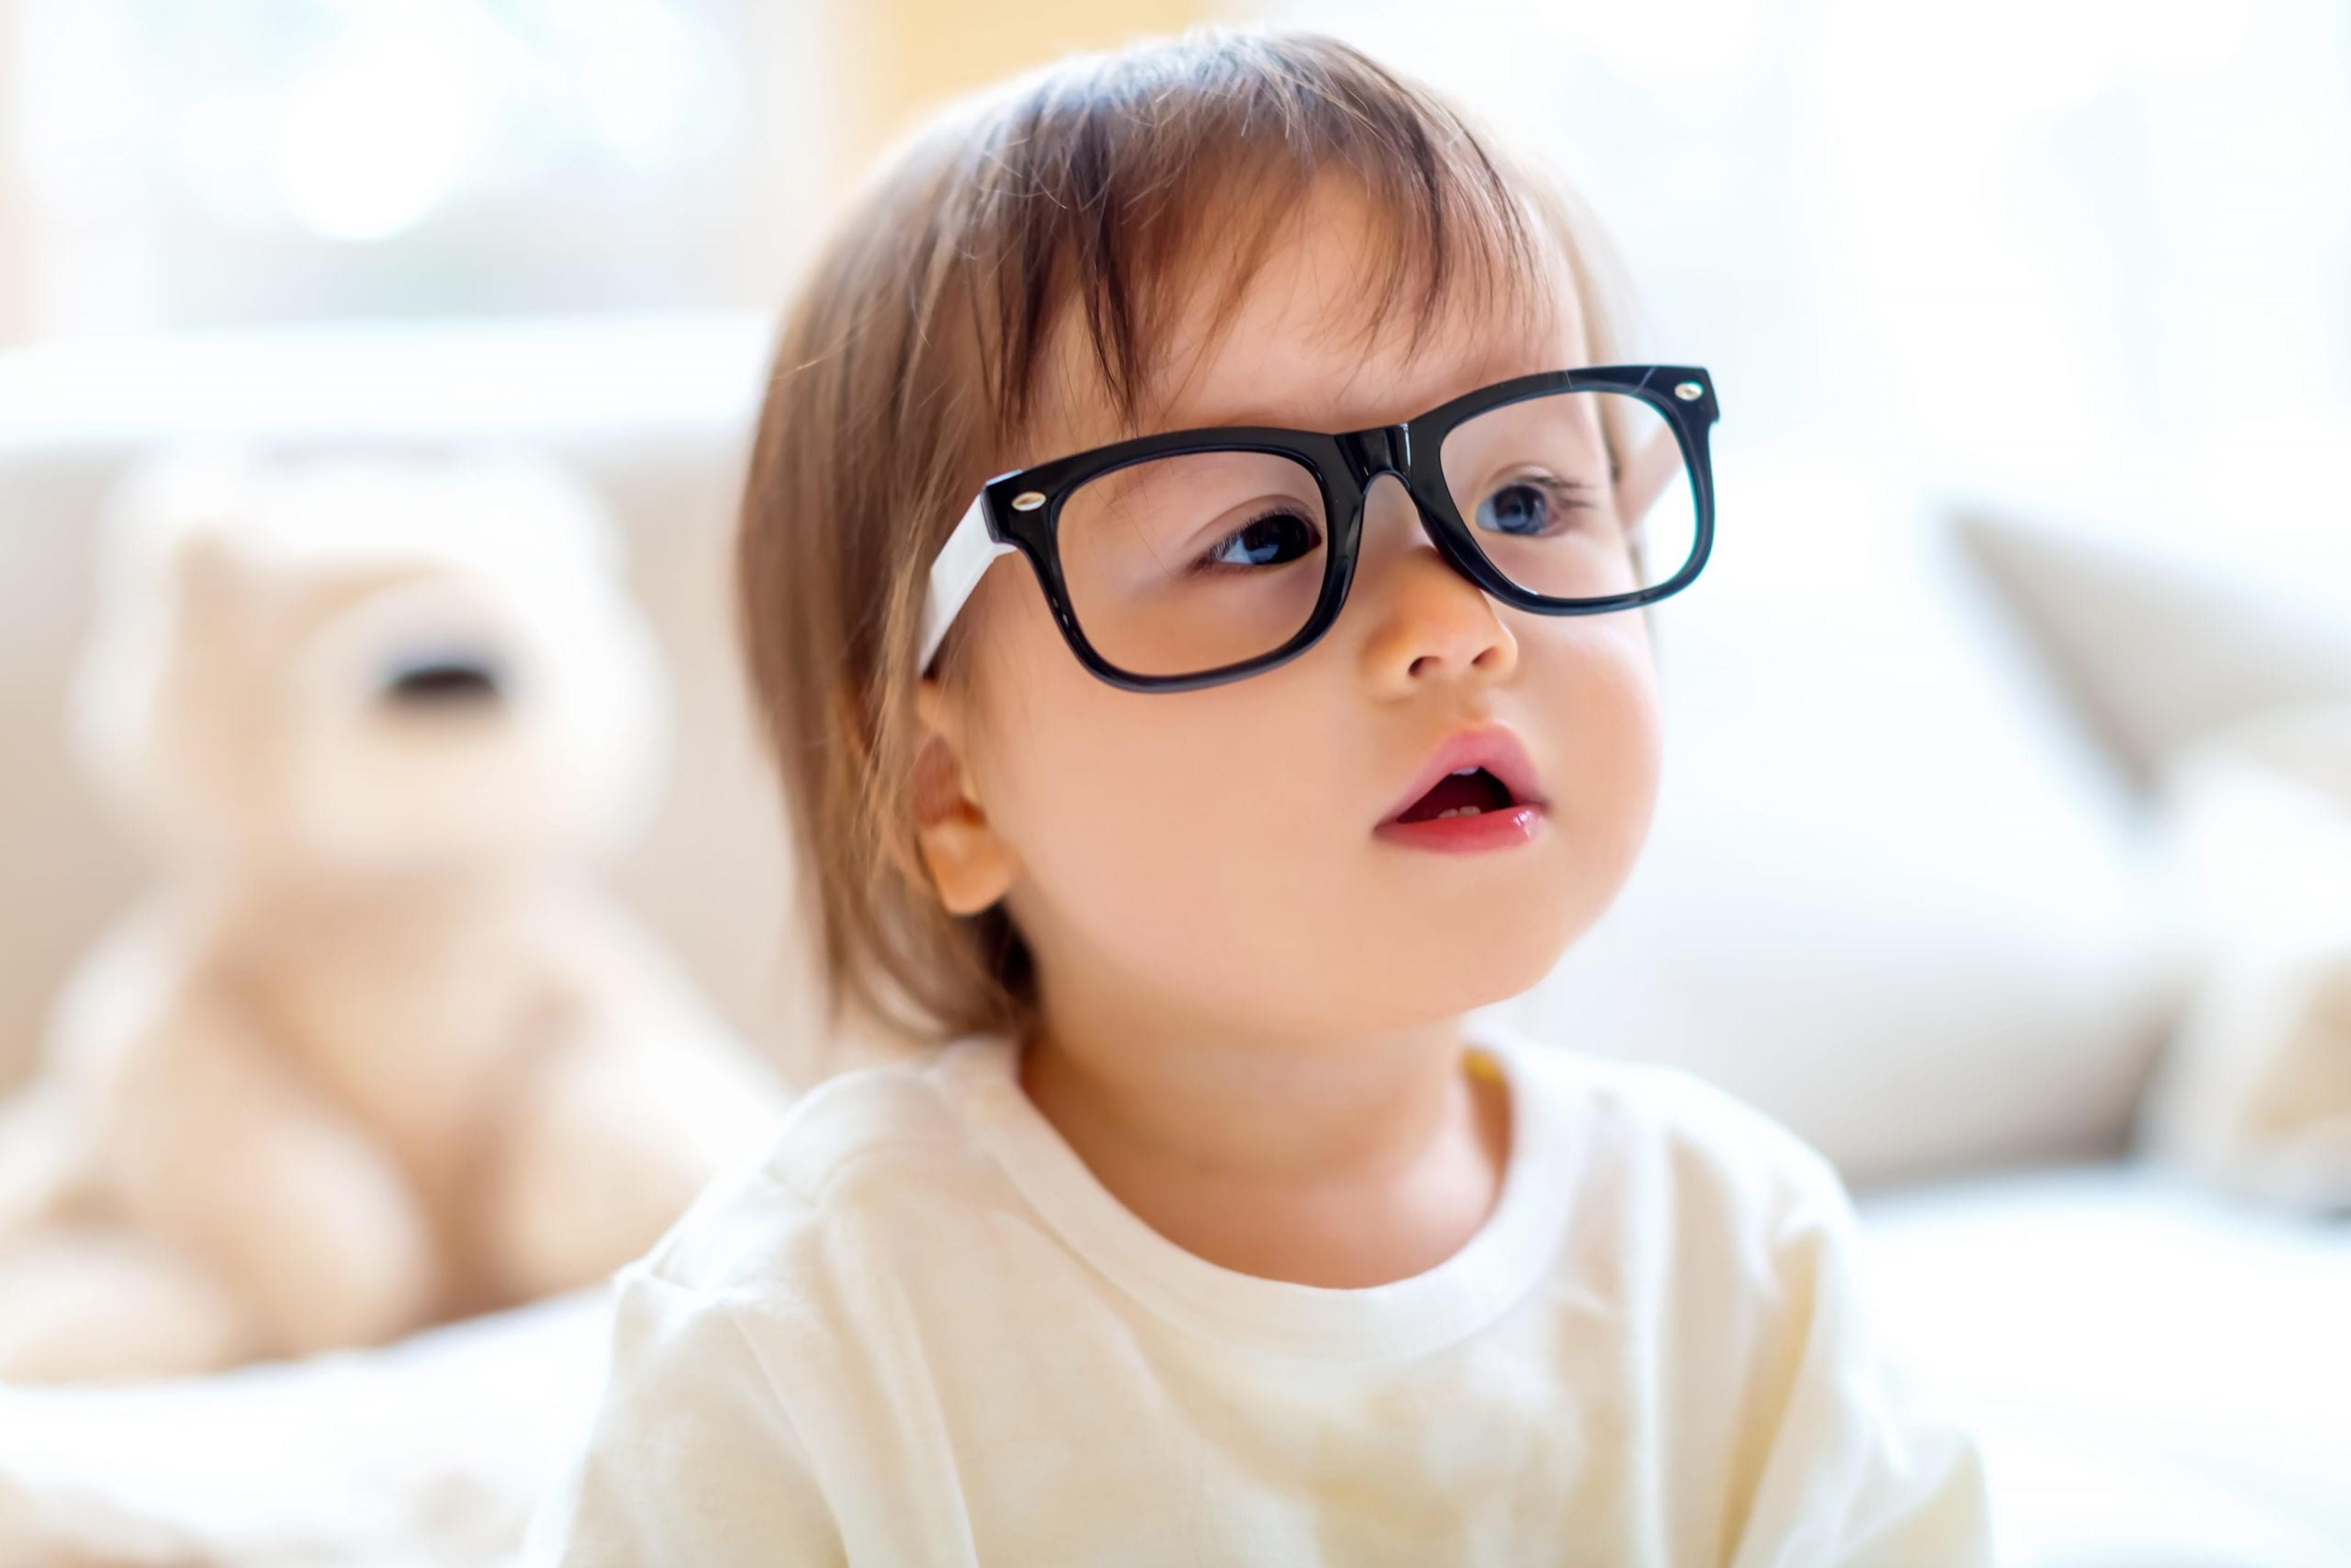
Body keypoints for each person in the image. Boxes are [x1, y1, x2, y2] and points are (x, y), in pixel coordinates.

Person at [522, 27, 1993, 1566]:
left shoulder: (1741, 1268)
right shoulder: (811, 1342)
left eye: (1522, 500)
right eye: (1263, 538)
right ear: (947, 780)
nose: (1456, 622)